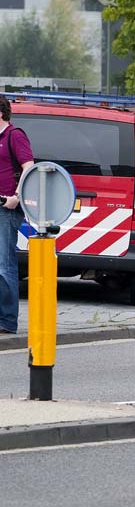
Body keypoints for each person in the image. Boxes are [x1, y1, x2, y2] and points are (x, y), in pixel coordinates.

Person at [0, 95, 34, 334]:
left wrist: (17, 197)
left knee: (4, 265)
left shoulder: (15, 135)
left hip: (6, 208)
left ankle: (7, 321)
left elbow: (29, 166)